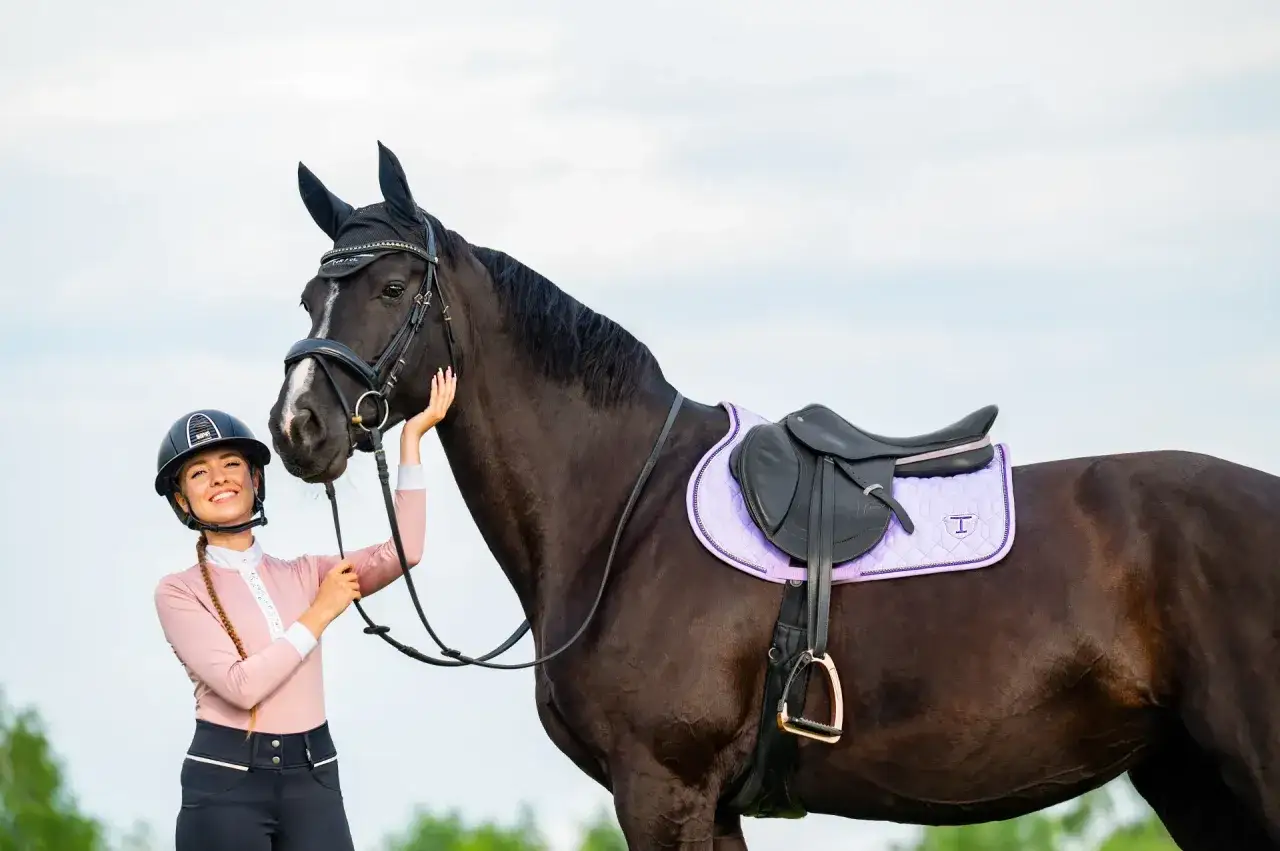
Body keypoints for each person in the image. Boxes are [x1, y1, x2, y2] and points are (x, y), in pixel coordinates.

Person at [152, 368, 457, 851]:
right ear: (181, 498)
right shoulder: (178, 592)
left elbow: (406, 550)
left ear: (254, 478)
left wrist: (412, 441)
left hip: (314, 778)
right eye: (198, 473)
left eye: (231, 464)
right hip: (226, 785)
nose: (218, 479)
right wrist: (321, 612)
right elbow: (240, 685)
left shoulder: (306, 573)